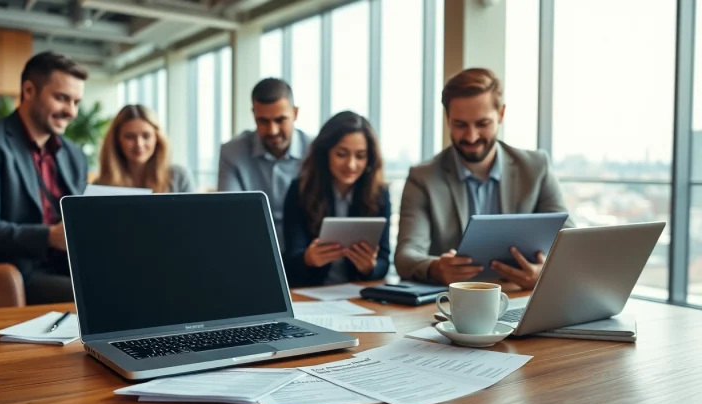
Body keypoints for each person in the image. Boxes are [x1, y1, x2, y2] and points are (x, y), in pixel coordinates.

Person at [394, 67, 574, 290]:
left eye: (482, 124)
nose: (471, 137)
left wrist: (544, 272)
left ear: (501, 114)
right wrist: (435, 268)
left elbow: (570, 245)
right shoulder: (423, 177)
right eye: (460, 124)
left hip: (520, 298)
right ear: (447, 118)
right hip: (453, 304)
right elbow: (405, 256)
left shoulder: (536, 168)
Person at [0, 51, 89, 305]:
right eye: (61, 98)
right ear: (29, 90)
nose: (71, 111)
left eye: (76, 102)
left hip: (57, 268)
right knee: (98, 297)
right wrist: (49, 237)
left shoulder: (73, 154)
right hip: (5, 272)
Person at [282, 111, 391, 287]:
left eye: (361, 156)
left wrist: (369, 266)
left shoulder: (379, 194)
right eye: (341, 154)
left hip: (357, 295)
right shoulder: (300, 190)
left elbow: (384, 262)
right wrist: (308, 258)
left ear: (370, 159)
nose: (351, 165)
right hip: (310, 291)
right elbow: (290, 261)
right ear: (326, 153)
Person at [217, 78, 311, 247]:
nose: (272, 130)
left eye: (280, 120)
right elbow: (230, 214)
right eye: (263, 121)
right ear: (254, 115)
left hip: (306, 252)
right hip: (253, 246)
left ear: (295, 113)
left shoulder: (315, 150)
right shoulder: (232, 152)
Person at [95, 104, 194, 193]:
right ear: (117, 140)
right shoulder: (100, 185)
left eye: (146, 136)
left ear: (157, 138)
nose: (139, 144)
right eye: (130, 136)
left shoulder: (179, 178)